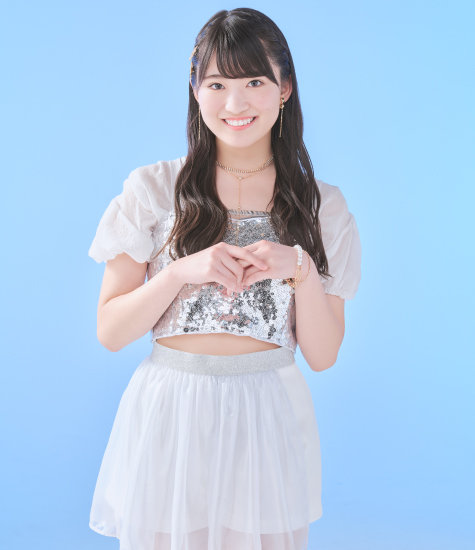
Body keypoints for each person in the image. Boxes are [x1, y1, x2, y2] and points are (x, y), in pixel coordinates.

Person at [87, 7, 361, 550]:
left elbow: (324, 354)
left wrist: (300, 269)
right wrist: (179, 273)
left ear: (284, 88)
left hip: (268, 410)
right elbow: (111, 331)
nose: (235, 104)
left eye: (254, 82)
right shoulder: (154, 188)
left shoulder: (321, 206)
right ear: (195, 91)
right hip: (169, 409)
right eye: (216, 84)